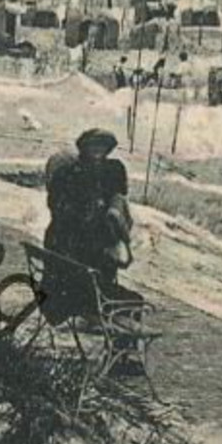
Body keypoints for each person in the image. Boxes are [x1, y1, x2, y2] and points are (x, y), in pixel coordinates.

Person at [41, 128, 137, 324]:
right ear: (83, 147)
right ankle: (124, 353)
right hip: (81, 291)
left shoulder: (106, 173)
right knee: (134, 302)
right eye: (94, 146)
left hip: (66, 283)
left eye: (102, 147)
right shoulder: (71, 177)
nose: (98, 151)